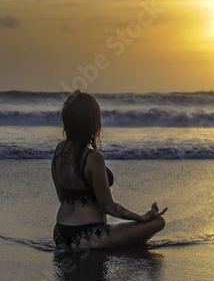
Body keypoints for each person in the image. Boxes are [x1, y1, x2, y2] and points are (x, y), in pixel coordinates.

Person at [51, 90, 167, 249]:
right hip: (90, 236)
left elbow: (61, 197)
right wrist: (141, 217)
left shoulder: (59, 151)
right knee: (158, 222)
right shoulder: (93, 157)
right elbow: (108, 206)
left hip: (60, 235)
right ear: (92, 122)